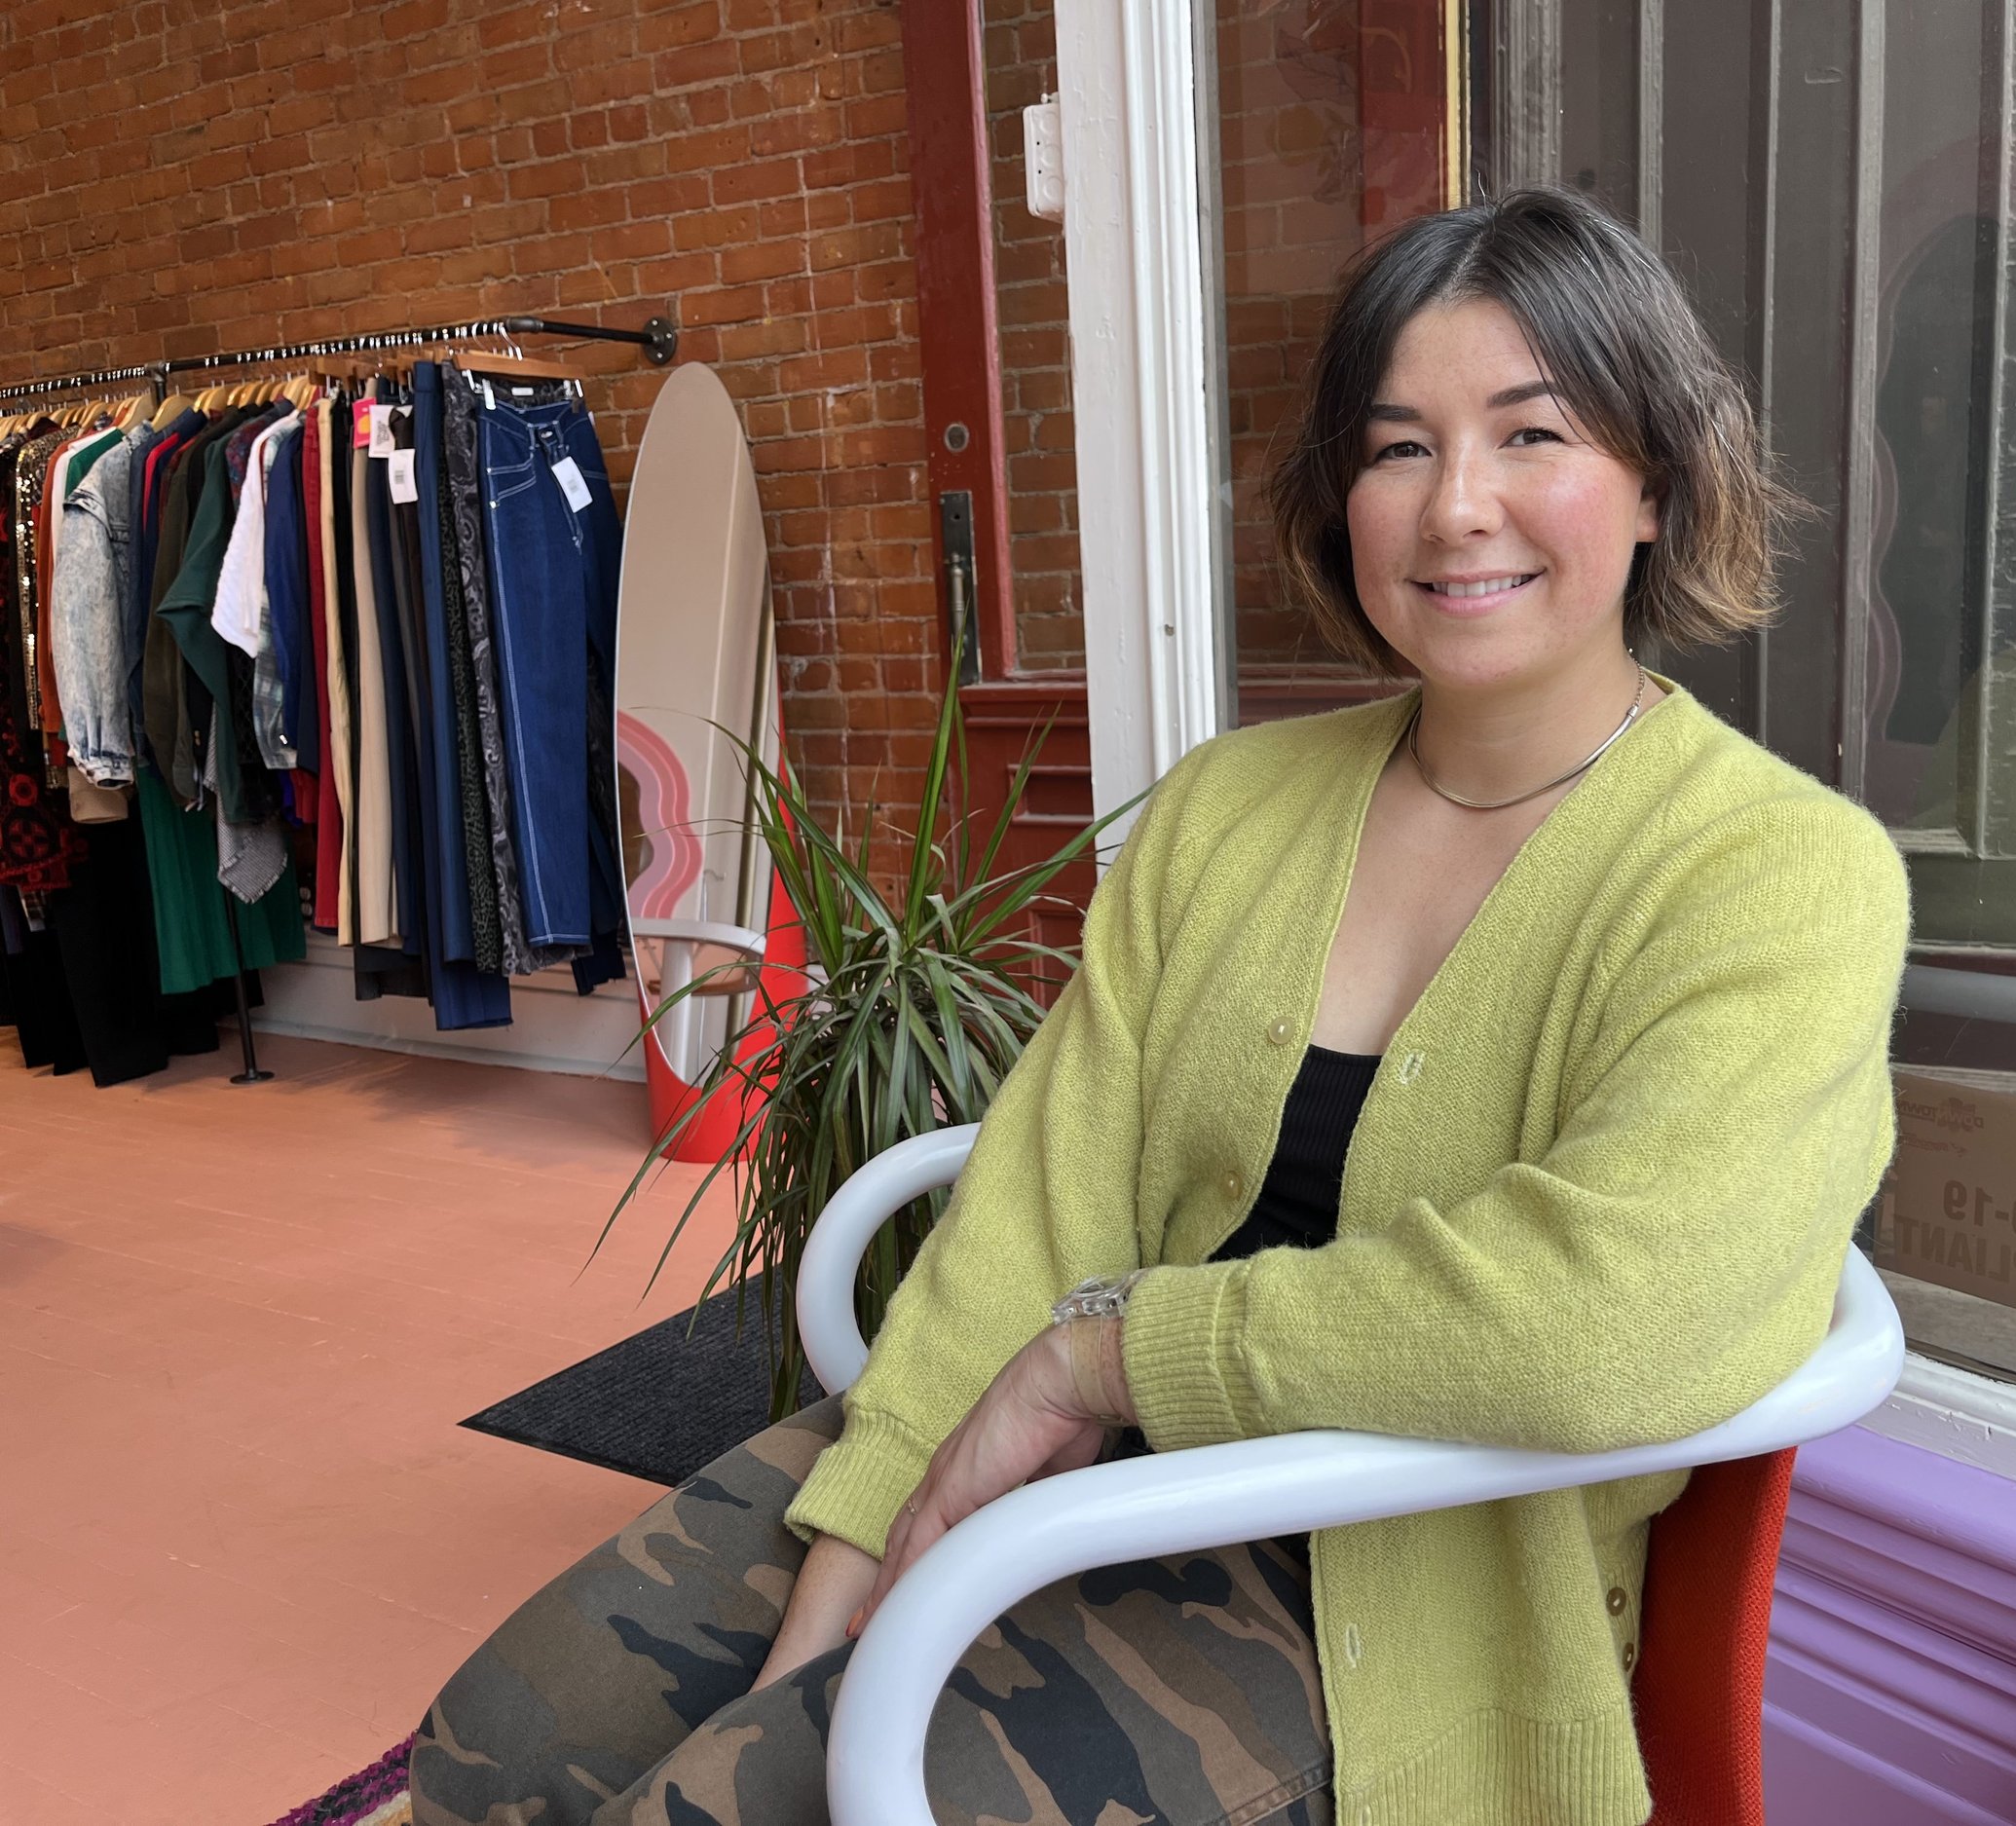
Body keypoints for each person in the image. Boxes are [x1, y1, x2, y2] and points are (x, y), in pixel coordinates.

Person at [409, 187, 1910, 1826]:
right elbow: (1046, 1204)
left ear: (1656, 483)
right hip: (1058, 1454)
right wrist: (840, 1600)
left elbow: (1607, 1320)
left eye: (1531, 433)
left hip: (1383, 1597)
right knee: (503, 1743)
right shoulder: (1229, 807)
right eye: (1398, 447)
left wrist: (1106, 1366)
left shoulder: (1779, 876)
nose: (1456, 506)